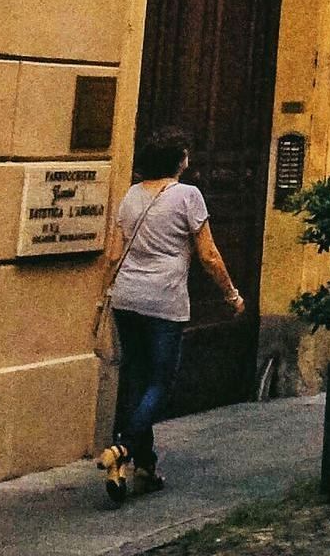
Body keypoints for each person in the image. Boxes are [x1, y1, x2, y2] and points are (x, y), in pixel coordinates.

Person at [96, 128, 244, 503]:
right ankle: (124, 447)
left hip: (127, 299)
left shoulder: (131, 195)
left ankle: (143, 468)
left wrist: (104, 296)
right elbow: (209, 256)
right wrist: (231, 294)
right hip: (163, 302)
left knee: (136, 378)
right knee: (161, 383)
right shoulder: (187, 196)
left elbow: (114, 255)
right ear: (179, 159)